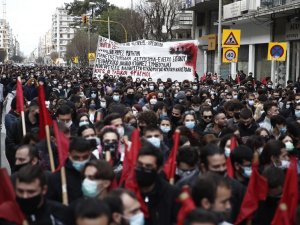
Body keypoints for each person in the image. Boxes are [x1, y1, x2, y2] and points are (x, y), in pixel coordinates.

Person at [134, 141, 180, 225]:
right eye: (140, 165)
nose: (143, 169)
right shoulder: (128, 188)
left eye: (148, 166)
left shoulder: (172, 194)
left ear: (159, 169)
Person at [200, 144, 245, 223]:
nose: (221, 169)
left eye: (224, 165)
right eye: (216, 167)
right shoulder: (191, 186)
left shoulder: (238, 188)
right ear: (204, 167)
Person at [47, 137, 93, 203]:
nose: (81, 161)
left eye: (85, 157)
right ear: (69, 155)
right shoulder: (57, 178)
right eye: (76, 157)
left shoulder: (97, 173)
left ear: (90, 155)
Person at [5, 99, 40, 172]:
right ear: (31, 109)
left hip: (37, 163)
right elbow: (9, 144)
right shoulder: (17, 124)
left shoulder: (43, 126)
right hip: (20, 163)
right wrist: (21, 152)